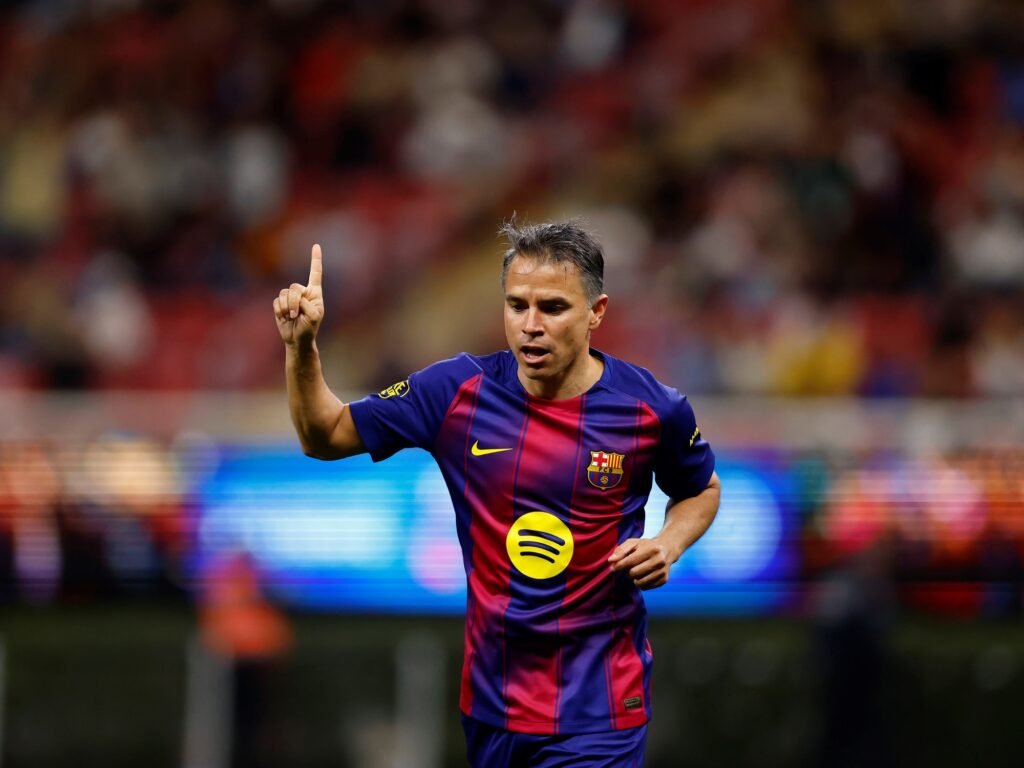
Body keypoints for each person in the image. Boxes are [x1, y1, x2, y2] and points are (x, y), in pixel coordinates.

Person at [273, 220, 721, 767]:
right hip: (494, 705)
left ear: (596, 312)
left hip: (600, 708)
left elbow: (701, 489)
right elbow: (325, 435)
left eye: (552, 308)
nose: (531, 325)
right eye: (517, 305)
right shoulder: (455, 391)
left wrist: (669, 543)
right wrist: (301, 349)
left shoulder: (652, 408)